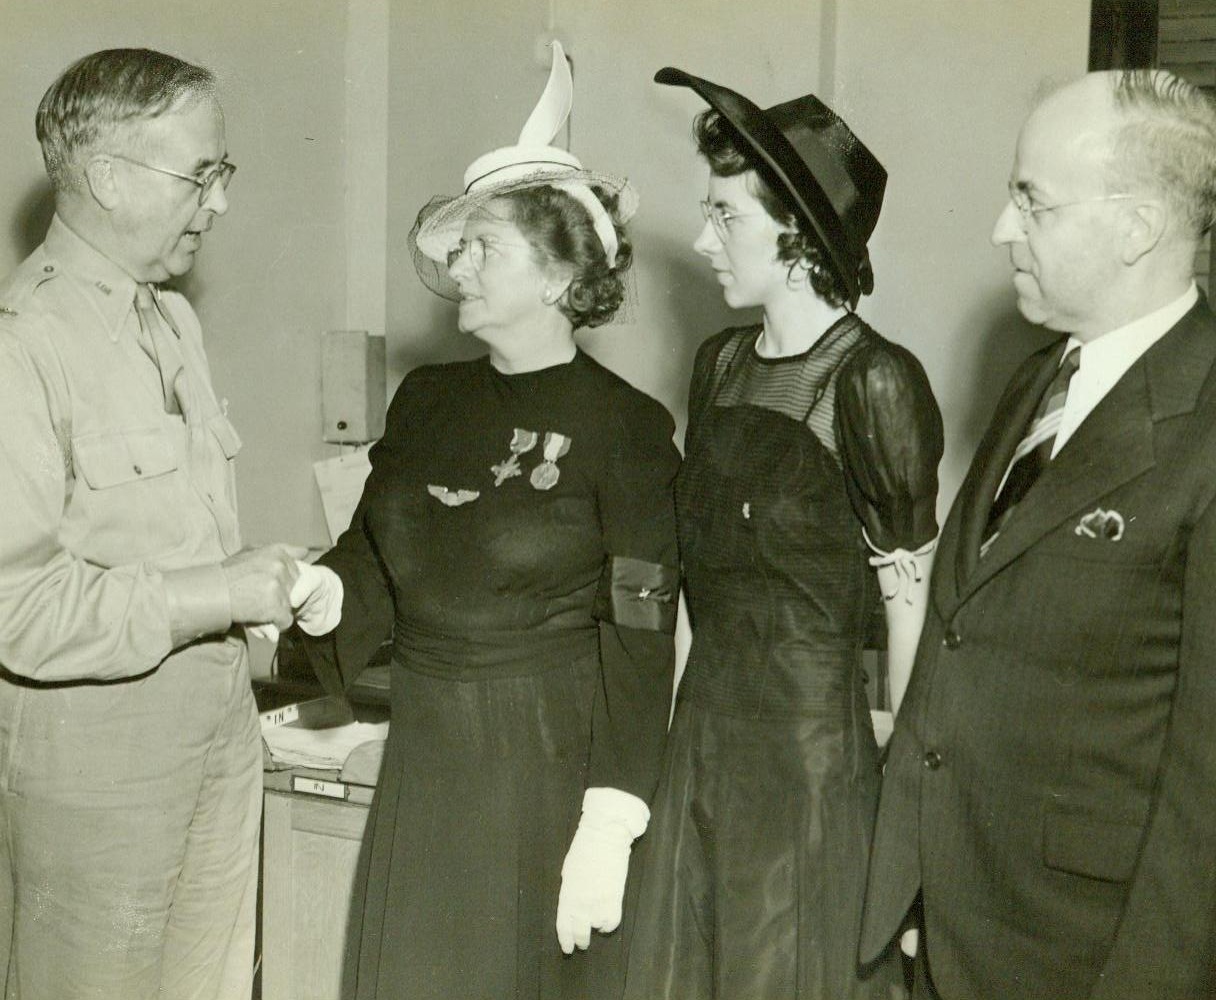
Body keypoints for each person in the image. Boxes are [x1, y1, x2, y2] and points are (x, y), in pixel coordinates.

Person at [299, 43, 679, 1000]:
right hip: (427, 754)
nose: (458, 268)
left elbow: (642, 630)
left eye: (484, 250)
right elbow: (372, 556)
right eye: (458, 248)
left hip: (542, 770)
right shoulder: (426, 401)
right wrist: (318, 593)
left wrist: (613, 812)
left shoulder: (627, 427)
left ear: (558, 278)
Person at [860, 69, 1216, 1000]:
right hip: (941, 930)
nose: (1000, 229)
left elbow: (1204, 789)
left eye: (1032, 200)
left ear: (1137, 227)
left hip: (1075, 956)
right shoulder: (1038, 382)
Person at [0, 48, 340, 998]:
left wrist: (250, 573)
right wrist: (215, 591)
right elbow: (17, 607)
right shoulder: (23, 346)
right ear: (108, 176)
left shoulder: (169, 321)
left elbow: (148, 545)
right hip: (96, 765)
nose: (218, 202)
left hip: (218, 732)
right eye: (202, 174)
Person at [623, 68, 943, 1000]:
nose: (701, 238)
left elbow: (910, 604)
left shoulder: (874, 382)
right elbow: (690, 588)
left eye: (727, 216)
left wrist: (905, 812)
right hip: (703, 751)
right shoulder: (718, 364)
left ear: (798, 234)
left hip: (811, 772)